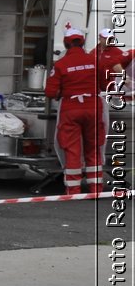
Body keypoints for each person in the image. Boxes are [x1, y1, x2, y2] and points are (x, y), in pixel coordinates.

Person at [45, 24, 102, 195]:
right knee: (93, 147)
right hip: (94, 107)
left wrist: (62, 92)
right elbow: (106, 84)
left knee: (72, 149)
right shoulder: (95, 60)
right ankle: (96, 188)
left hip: (71, 109)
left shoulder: (61, 64)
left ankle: (74, 190)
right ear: (82, 42)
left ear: (65, 44)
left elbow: (50, 92)